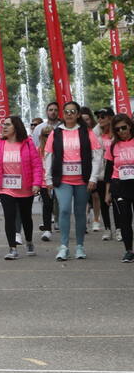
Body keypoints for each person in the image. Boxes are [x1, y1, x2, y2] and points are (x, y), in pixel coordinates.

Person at [43, 101, 103, 260]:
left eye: (73, 111)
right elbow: (48, 155)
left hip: (82, 180)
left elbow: (97, 154)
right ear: (63, 114)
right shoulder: (56, 133)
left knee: (80, 212)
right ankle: (63, 246)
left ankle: (80, 246)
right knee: (63, 209)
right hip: (62, 179)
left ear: (77, 114)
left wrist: (93, 177)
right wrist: (48, 178)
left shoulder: (86, 132)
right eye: (67, 111)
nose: (69, 114)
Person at [0, 116, 43, 260]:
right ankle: (12, 248)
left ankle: (29, 241)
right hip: (6, 188)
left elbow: (36, 165)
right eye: (3, 125)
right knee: (9, 217)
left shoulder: (28, 143)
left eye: (8, 125)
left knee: (26, 217)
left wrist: (37, 183)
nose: (4, 127)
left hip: (25, 187)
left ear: (16, 127)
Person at [104, 112, 134, 262]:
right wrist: (107, 193)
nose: (121, 131)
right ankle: (129, 250)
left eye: (124, 128)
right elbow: (109, 171)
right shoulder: (113, 145)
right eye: (117, 129)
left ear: (130, 126)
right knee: (125, 220)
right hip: (119, 185)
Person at [34, 102, 61, 240]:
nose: (48, 137)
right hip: (44, 182)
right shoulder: (39, 150)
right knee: (47, 204)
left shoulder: (59, 150)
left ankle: (59, 222)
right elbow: (37, 166)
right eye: (45, 135)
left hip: (59, 180)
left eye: (51, 135)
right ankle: (47, 229)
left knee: (60, 204)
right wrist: (36, 182)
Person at [93, 108, 114, 240]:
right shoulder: (96, 133)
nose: (99, 119)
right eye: (98, 117)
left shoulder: (118, 132)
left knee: (117, 201)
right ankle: (107, 229)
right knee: (104, 202)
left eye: (103, 116)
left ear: (110, 118)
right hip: (102, 172)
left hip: (116, 171)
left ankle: (119, 229)